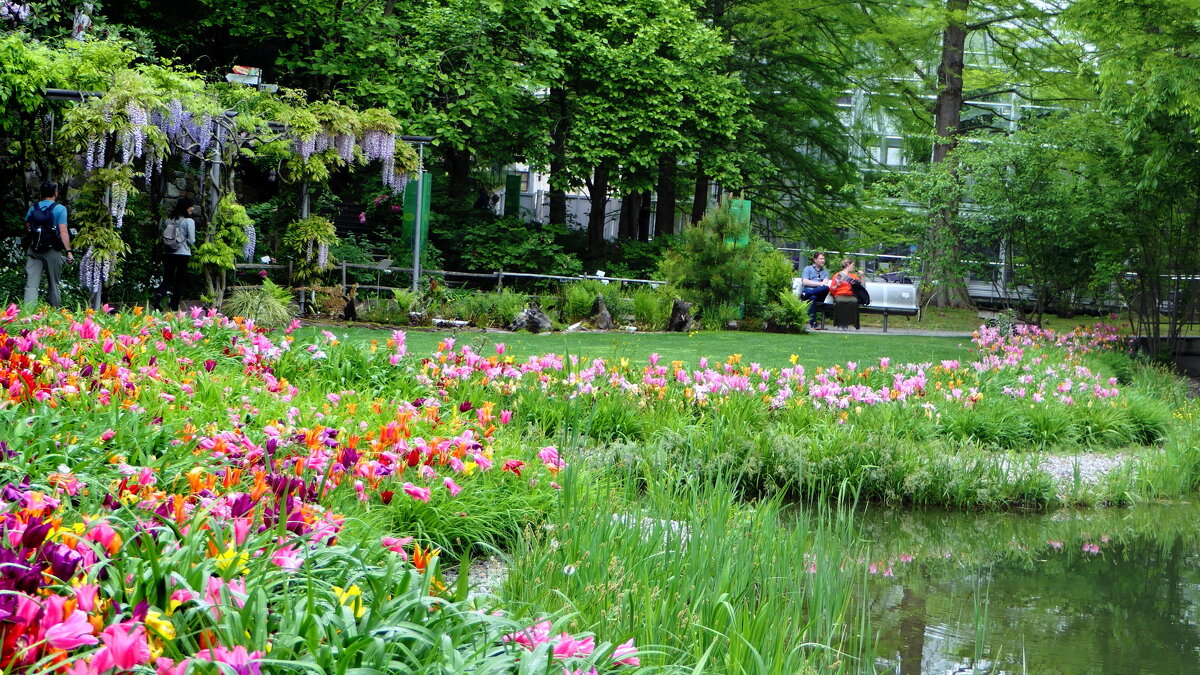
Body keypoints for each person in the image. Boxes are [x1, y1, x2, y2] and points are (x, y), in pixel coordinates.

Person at [23, 181, 73, 308]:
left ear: (42, 193)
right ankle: (55, 315)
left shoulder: (33, 208)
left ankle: (28, 314)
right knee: (53, 284)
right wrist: (68, 251)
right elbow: (63, 232)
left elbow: (28, 228)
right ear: (55, 193)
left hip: (34, 250)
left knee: (31, 285)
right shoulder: (60, 209)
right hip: (52, 251)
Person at [151, 197, 197, 311]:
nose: (193, 208)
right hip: (183, 254)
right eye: (191, 206)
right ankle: (174, 305)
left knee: (167, 278)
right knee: (180, 279)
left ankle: (159, 294)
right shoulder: (189, 221)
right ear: (186, 207)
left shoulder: (169, 220)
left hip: (167, 252)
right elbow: (192, 240)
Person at [800, 252, 831, 329]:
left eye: (824, 259)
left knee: (826, 288)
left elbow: (825, 284)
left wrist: (813, 283)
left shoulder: (825, 272)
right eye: (821, 259)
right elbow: (805, 282)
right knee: (813, 297)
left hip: (820, 295)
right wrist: (819, 283)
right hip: (811, 295)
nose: (823, 260)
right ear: (815, 260)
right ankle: (813, 323)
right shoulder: (807, 269)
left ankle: (806, 294)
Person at [828, 258, 860, 330]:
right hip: (840, 294)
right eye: (852, 265)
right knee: (840, 301)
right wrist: (837, 285)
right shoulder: (837, 275)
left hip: (850, 295)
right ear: (848, 265)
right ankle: (840, 323)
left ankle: (847, 323)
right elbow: (832, 289)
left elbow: (861, 287)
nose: (853, 267)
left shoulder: (853, 276)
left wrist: (862, 277)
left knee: (854, 301)